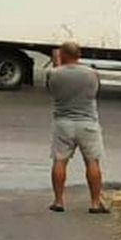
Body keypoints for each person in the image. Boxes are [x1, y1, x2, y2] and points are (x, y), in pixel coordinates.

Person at [43, 40, 108, 214]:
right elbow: (94, 93)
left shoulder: (54, 73)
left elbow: (52, 91)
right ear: (79, 55)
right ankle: (95, 202)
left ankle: (58, 201)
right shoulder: (91, 73)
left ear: (62, 55)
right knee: (92, 161)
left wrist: (57, 64)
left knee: (60, 161)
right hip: (87, 122)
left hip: (63, 122)